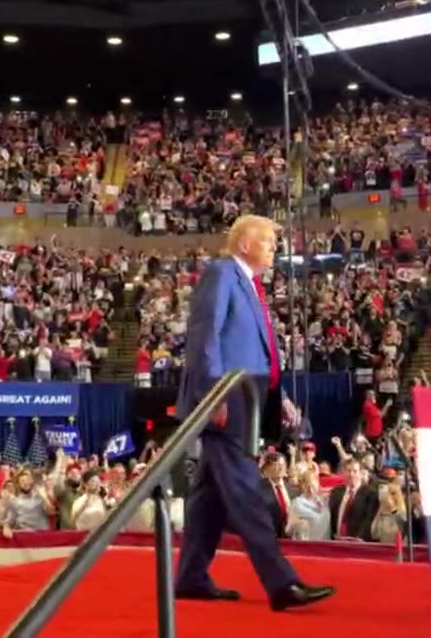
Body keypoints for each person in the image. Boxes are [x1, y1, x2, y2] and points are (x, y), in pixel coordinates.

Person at [173, 214, 335, 611]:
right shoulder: (223, 272)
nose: (275, 247)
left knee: (210, 495)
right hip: (227, 396)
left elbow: (256, 349)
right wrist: (214, 396)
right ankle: (281, 583)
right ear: (245, 243)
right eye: (268, 240)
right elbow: (204, 335)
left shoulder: (250, 283)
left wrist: (277, 398)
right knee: (246, 490)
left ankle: (192, 577)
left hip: (249, 395)